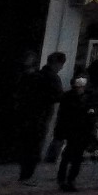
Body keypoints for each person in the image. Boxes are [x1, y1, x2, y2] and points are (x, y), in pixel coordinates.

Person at [14, 49, 64, 185]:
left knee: (28, 145)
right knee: (35, 146)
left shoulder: (34, 75)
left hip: (28, 114)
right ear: (58, 64)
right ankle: (27, 176)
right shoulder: (52, 77)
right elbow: (59, 96)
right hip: (41, 116)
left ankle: (24, 174)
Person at [55, 75, 98, 193]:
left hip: (79, 130)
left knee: (74, 157)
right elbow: (63, 116)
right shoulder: (81, 97)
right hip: (75, 129)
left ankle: (68, 180)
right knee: (71, 156)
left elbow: (62, 115)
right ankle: (66, 180)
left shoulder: (80, 97)